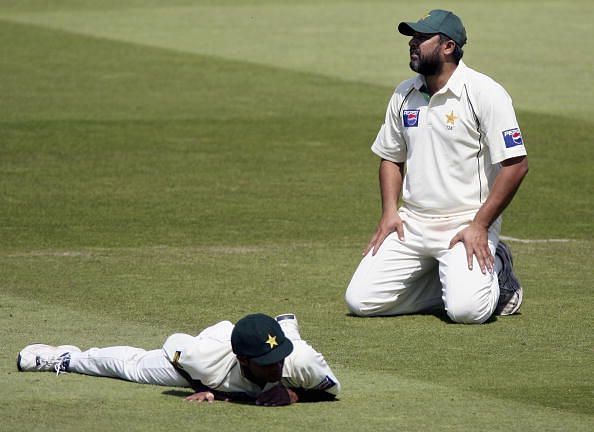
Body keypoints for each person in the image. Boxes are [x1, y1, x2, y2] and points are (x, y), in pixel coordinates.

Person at [344, 9, 528, 324]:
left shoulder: (484, 92)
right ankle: (452, 279)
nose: (412, 44)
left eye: (421, 38)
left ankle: (497, 272)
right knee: (361, 301)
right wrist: (390, 211)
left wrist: (480, 225)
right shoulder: (404, 94)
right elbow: (391, 156)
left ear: (448, 47)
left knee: (466, 312)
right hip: (412, 223)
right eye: (412, 38)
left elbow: (516, 165)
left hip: (466, 221)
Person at [17, 313, 340, 406]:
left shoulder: (300, 362)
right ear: (243, 359)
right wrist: (218, 391)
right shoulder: (201, 358)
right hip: (209, 355)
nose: (276, 366)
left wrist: (295, 393)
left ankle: (286, 328)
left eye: (277, 357)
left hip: (288, 347)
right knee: (133, 367)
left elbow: (332, 391)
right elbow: (171, 344)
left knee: (294, 346)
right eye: (266, 361)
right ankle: (63, 357)